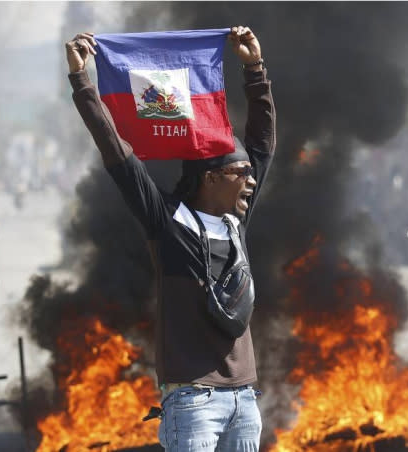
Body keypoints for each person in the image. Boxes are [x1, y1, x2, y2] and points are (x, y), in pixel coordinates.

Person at [66, 25, 275, 451]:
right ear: (211, 178)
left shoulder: (236, 223)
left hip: (245, 400)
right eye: (241, 174)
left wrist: (254, 68)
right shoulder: (168, 221)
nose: (251, 181)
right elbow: (117, 153)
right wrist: (82, 81)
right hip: (193, 402)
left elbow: (263, 144)